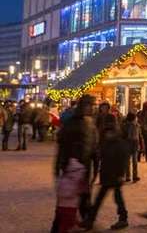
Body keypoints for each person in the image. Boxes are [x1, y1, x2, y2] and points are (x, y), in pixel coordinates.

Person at [54, 95, 98, 228]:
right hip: (72, 165)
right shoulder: (73, 122)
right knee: (68, 197)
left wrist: (96, 162)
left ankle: (86, 221)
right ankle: (58, 225)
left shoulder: (90, 122)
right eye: (89, 105)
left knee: (84, 195)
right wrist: (59, 165)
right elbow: (63, 144)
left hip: (85, 165)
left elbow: (93, 145)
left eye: (92, 105)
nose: (92, 108)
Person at [82, 114, 129, 230]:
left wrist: (120, 174)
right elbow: (102, 155)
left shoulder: (117, 140)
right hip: (107, 173)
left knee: (114, 198)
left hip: (114, 174)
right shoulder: (105, 138)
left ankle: (122, 218)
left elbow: (122, 158)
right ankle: (91, 219)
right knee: (103, 198)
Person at [122, 112, 140, 182]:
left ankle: (134, 176)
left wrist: (140, 144)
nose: (136, 119)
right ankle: (128, 176)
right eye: (135, 117)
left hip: (134, 144)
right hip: (128, 144)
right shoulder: (126, 125)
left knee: (134, 161)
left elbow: (139, 135)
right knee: (128, 162)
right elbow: (123, 135)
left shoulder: (137, 125)